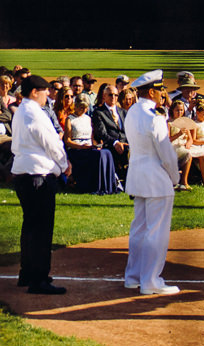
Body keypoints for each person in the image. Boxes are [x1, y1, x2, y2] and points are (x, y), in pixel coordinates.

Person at [122, 70, 180, 295]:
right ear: (153, 91)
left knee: (139, 229)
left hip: (137, 175)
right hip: (156, 178)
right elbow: (165, 151)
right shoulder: (155, 115)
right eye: (161, 89)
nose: (163, 93)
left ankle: (133, 276)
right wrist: (174, 177)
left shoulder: (133, 111)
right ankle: (150, 281)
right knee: (156, 231)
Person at [10, 74, 68, 295]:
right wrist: (64, 164)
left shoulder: (21, 111)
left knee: (30, 226)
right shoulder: (35, 113)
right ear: (34, 92)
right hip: (38, 174)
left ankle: (27, 273)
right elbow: (51, 142)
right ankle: (39, 278)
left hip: (24, 172)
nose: (48, 96)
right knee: (42, 229)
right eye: (45, 92)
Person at [64, 98, 121, 194]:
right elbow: (67, 141)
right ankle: (96, 185)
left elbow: (91, 137)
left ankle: (108, 185)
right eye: (81, 107)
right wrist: (81, 146)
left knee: (106, 153)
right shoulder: (70, 119)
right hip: (76, 149)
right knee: (97, 155)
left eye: (85, 108)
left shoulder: (88, 119)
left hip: (89, 146)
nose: (83, 110)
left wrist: (95, 145)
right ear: (76, 106)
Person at [89, 81, 128, 173]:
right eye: (110, 95)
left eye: (116, 95)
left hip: (125, 145)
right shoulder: (99, 112)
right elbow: (101, 132)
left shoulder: (123, 112)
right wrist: (115, 143)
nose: (113, 97)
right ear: (104, 96)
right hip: (110, 146)